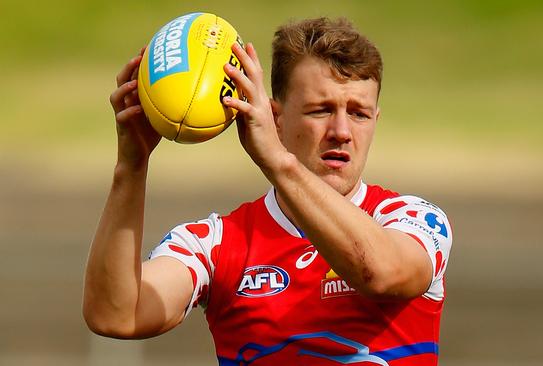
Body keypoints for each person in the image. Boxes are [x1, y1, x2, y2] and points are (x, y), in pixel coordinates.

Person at [83, 16, 453, 365]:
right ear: (274, 117)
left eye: (358, 113)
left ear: (375, 120)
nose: (341, 130)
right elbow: (116, 314)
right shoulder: (216, 243)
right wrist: (130, 169)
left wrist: (278, 162)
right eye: (320, 110)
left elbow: (381, 273)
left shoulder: (414, 219)